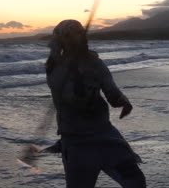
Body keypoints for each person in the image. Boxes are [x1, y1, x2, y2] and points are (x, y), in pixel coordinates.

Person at [45, 19, 146, 188]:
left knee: (135, 181)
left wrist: (124, 102)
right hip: (75, 141)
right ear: (60, 40)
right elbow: (69, 98)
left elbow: (112, 93)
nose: (75, 37)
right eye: (68, 34)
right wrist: (71, 66)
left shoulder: (94, 62)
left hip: (105, 134)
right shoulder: (54, 68)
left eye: (79, 32)